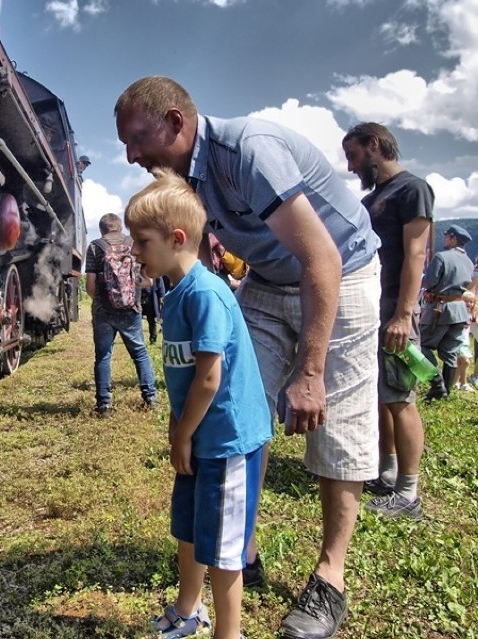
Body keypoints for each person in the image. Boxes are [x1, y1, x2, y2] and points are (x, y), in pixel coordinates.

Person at [115, 76, 382, 639]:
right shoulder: (186, 180)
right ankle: (241, 545)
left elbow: (321, 257)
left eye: (138, 138)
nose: (132, 154)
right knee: (241, 408)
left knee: (338, 429)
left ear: (174, 122)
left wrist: (310, 372)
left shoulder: (248, 151)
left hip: (339, 270)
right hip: (269, 278)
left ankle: (329, 581)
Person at [125, 167, 271, 639]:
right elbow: (183, 374)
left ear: (177, 237)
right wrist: (178, 429)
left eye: (142, 241)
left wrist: (182, 432)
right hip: (197, 435)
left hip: (225, 440)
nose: (133, 251)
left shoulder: (206, 293)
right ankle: (189, 610)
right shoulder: (175, 293)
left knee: (225, 552)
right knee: (189, 529)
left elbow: (210, 378)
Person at [342, 122, 431, 520]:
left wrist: (403, 314)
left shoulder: (412, 189)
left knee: (401, 401)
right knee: (383, 398)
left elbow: (417, 255)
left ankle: (408, 494)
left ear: (374, 146)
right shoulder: (374, 199)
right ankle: (388, 473)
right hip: (374, 310)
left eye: (354, 156)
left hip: (396, 311)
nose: (350, 167)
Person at [85, 212, 157, 418]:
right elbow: (149, 281)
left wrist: (104, 299)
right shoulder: (133, 244)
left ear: (102, 229)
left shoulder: (95, 246)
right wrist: (131, 292)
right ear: (119, 227)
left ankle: (104, 406)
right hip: (131, 310)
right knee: (140, 353)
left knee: (103, 356)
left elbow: (90, 286)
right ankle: (150, 398)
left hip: (103, 311)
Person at [419, 224, 474, 402]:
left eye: (447, 237)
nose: (445, 240)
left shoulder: (441, 257)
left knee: (422, 346)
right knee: (450, 353)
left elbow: (429, 282)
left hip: (440, 309)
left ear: (453, 238)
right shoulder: (468, 261)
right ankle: (446, 394)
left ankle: (437, 383)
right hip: (459, 310)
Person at [454, 290, 476, 391]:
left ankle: (455, 382)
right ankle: (464, 383)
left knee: (460, 363)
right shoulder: (458, 314)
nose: (468, 304)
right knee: (466, 361)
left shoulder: (471, 315)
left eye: (471, 302)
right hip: (457, 341)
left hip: (465, 342)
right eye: (466, 301)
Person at [140, 268, 166, 343]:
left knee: (151, 320)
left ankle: (153, 338)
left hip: (151, 299)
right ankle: (139, 339)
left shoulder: (154, 270)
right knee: (138, 320)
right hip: (140, 298)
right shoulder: (137, 269)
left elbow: (160, 285)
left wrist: (162, 296)